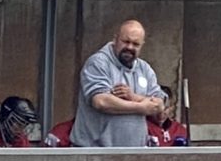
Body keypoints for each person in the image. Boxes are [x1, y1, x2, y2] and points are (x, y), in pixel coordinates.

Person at [70, 18, 164, 148]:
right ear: (115, 39)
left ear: (142, 45)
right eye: (126, 41)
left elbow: (159, 104)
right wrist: (141, 107)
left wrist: (133, 97)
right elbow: (101, 102)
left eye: (135, 44)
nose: (130, 47)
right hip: (95, 152)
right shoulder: (98, 63)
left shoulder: (145, 69)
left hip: (135, 152)